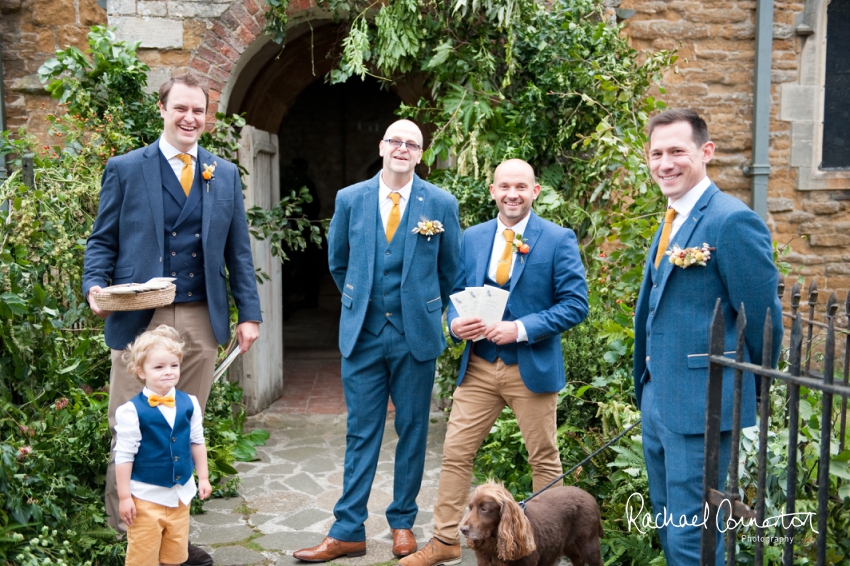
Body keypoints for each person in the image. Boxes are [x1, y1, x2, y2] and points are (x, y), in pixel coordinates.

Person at [83, 73, 262, 564]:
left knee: (181, 427)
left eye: (198, 111)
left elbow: (238, 251)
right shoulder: (125, 168)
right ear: (161, 109)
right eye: (180, 108)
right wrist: (94, 287)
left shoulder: (222, 173)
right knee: (132, 425)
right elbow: (102, 240)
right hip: (141, 317)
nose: (190, 118)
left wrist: (250, 314)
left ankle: (172, 539)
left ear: (207, 116)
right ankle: (129, 537)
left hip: (201, 316)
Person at [400, 158, 589, 566]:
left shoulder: (557, 239)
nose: (512, 194)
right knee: (455, 453)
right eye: (504, 186)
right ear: (492, 191)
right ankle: (446, 540)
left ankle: (535, 546)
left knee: (543, 458)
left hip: (531, 366)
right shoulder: (471, 237)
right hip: (481, 365)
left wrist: (520, 328)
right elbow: (453, 293)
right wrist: (455, 325)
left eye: (521, 186)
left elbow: (576, 304)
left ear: (535, 191)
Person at [293, 120, 461, 562]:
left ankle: (403, 522)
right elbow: (338, 261)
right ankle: (348, 529)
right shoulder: (351, 199)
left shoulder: (440, 203)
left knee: (413, 431)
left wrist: (425, 308)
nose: (403, 148)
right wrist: (360, 302)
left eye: (413, 144)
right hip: (363, 335)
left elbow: (450, 271)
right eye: (396, 141)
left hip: (416, 338)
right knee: (360, 432)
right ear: (383, 146)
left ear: (420, 154)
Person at [632, 109, 783, 564]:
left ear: (706, 152)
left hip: (703, 403)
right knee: (668, 519)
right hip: (658, 397)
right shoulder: (673, 216)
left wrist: (750, 391)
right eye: (656, 154)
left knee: (694, 532)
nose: (665, 163)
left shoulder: (730, 221)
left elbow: (762, 319)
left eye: (677, 151)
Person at [115, 325, 211, 566]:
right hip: (146, 498)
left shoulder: (189, 402)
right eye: (158, 367)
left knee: (175, 556)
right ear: (141, 371)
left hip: (181, 495)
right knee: (143, 557)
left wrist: (204, 478)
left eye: (174, 365)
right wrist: (125, 497)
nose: (168, 372)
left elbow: (196, 441)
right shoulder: (130, 411)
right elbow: (124, 456)